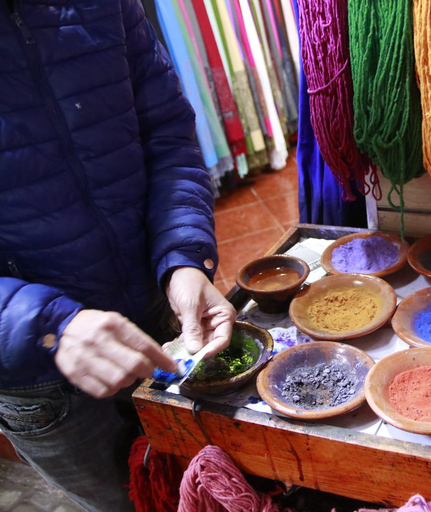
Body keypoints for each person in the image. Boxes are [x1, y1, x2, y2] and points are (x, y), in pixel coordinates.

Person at [0, 1, 236, 510]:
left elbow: (167, 134)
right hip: (42, 380)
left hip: (160, 316)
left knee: (210, 485)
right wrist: (47, 327)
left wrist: (183, 255)